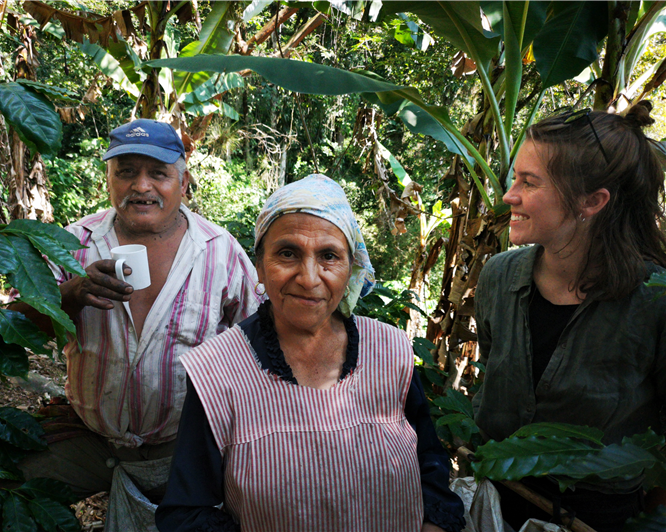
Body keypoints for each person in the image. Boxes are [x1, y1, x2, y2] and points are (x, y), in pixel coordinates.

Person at [156, 174, 466, 532]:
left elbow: (429, 460)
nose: (308, 277)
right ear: (258, 264)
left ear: (351, 268)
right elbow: (186, 512)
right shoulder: (217, 371)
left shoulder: (391, 351)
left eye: (329, 256)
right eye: (287, 253)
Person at [15, 119, 262, 523]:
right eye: (126, 171)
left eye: (158, 173)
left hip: (183, 448)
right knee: (7, 492)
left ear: (183, 184)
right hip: (89, 438)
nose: (142, 186)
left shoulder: (222, 254)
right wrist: (71, 296)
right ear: (108, 181)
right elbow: (13, 329)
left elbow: (259, 346)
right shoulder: (70, 243)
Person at [472, 101, 666, 531]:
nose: (509, 196)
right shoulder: (498, 278)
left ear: (591, 201)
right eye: (514, 178)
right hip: (497, 505)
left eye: (530, 182)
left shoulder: (653, 301)